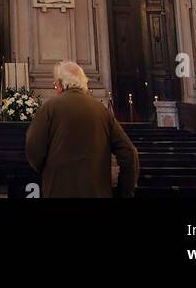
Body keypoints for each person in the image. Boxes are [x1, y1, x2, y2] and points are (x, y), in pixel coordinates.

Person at [25, 60, 138, 198]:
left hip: (58, 190)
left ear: (60, 84)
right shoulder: (101, 110)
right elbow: (129, 153)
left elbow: (33, 149)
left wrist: (47, 171)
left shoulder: (49, 108)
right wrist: (124, 192)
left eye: (55, 85)